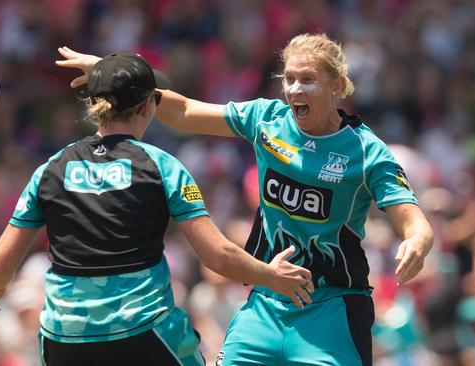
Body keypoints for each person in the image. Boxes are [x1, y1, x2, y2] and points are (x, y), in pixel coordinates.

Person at [56, 33, 434, 366]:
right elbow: (186, 111)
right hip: (267, 302)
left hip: (333, 309)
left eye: (308, 80)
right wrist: (116, 76)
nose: (295, 90)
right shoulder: (266, 119)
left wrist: (417, 239)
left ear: (338, 85)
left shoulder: (365, 151)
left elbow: (411, 217)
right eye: (289, 79)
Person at [0, 52, 314, 366]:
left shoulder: (51, 168)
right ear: (148, 107)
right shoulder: (162, 166)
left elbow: (0, 262)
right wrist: (270, 275)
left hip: (65, 340)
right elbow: (218, 257)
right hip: (144, 331)